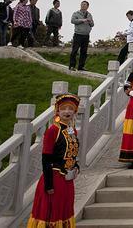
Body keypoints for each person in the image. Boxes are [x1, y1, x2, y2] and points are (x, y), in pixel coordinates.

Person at [27, 94, 80, 228]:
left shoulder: (72, 130)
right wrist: (49, 185)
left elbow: (72, 152)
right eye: (63, 109)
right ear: (57, 111)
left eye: (70, 109)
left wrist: (76, 165)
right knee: (52, 213)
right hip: (55, 178)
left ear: (75, 111)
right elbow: (46, 158)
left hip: (67, 180)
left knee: (65, 211)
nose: (67, 112)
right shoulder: (52, 130)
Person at [69, 1, 94, 71]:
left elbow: (92, 24)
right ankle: (72, 66)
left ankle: (81, 66)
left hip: (86, 35)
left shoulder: (89, 14)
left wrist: (90, 21)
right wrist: (82, 20)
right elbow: (72, 20)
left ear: (87, 6)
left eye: (84, 5)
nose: (83, 6)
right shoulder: (76, 13)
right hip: (78, 34)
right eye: (82, 4)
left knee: (84, 51)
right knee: (75, 50)